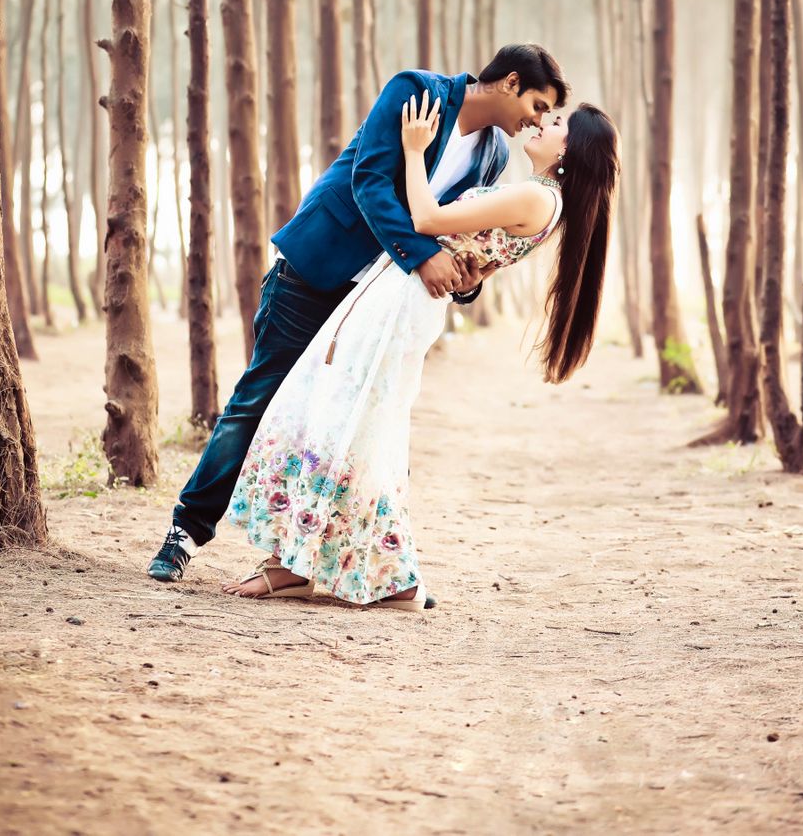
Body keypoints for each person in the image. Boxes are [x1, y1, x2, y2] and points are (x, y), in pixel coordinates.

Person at [146, 44, 568, 584]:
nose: (536, 120)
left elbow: (457, 231)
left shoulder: (493, 156)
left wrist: (464, 283)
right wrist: (422, 257)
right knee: (257, 398)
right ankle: (185, 532)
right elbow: (367, 182)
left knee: (355, 425)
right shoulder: (417, 93)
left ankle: (362, 566)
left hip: (379, 302)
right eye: (537, 105)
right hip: (317, 268)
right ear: (510, 82)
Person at [220, 93, 619, 611]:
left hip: (402, 299)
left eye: (559, 121)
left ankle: (343, 572)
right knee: (352, 419)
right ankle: (330, 567)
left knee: (344, 415)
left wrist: (413, 150)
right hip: (405, 293)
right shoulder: (541, 201)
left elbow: (426, 219)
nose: (543, 122)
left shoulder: (537, 198)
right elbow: (474, 262)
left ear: (573, 150)